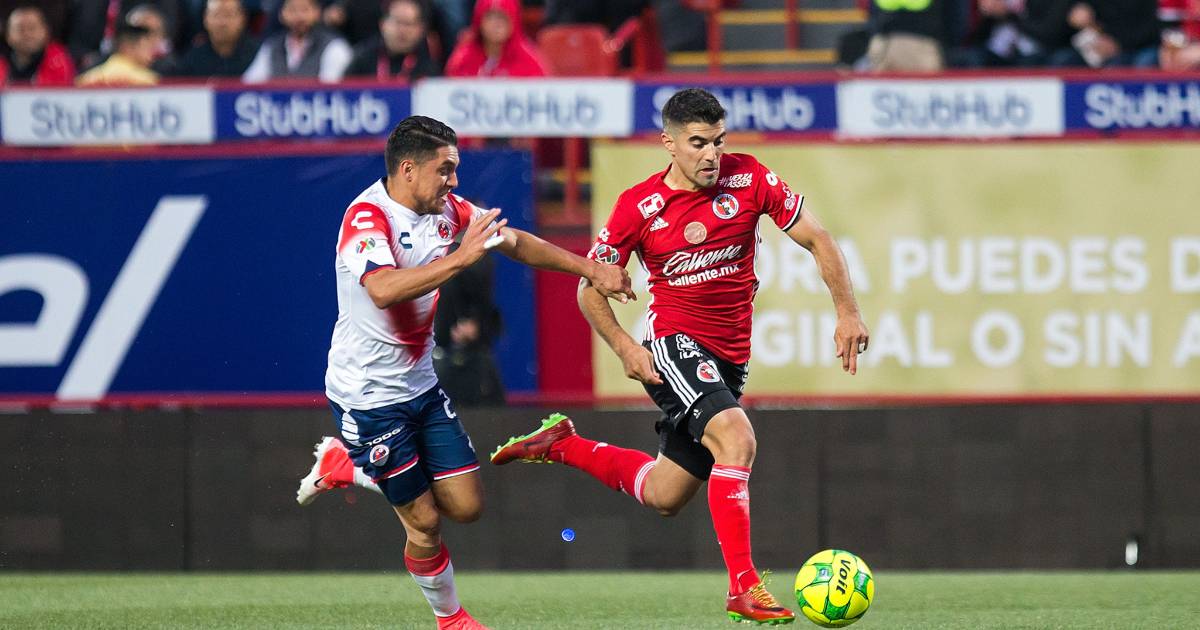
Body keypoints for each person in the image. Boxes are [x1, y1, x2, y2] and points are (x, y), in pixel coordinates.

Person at [489, 88, 870, 625]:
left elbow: (819, 239)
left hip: (729, 360)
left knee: (664, 494)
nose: (711, 155)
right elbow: (589, 288)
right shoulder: (638, 207)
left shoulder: (751, 177)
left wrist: (847, 312)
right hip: (673, 344)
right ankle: (744, 587)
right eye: (697, 143)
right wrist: (624, 346)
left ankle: (563, 444)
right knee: (737, 438)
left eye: (718, 141)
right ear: (668, 143)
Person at [293, 116, 633, 630]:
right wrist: (461, 258)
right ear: (408, 169)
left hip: (421, 387)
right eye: (445, 169)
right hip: (368, 396)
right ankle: (450, 619)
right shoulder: (367, 217)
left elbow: (513, 241)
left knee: (467, 507)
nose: (454, 181)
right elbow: (382, 290)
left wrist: (591, 268)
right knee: (425, 523)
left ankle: (346, 466)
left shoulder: (448, 211)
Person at [242, 0, 352, 83]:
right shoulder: (271, 46)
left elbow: (331, 88)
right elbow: (250, 84)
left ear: (317, 12)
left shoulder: (334, 46)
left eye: (305, 10)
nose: (299, 17)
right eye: (292, 10)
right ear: (281, 14)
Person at [444, 0, 546, 78]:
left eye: (503, 18)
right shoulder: (463, 59)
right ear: (479, 21)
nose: (497, 24)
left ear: (514, 22)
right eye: (490, 17)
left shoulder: (529, 61)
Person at [346, 0, 442, 81]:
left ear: (420, 29)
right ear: (382, 24)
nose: (402, 30)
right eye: (398, 22)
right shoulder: (363, 58)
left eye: (408, 24)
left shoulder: (428, 65)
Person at [176, 0, 258, 77]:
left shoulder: (259, 57)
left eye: (228, 15)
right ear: (205, 19)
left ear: (242, 18)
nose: (222, 23)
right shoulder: (193, 61)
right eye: (216, 15)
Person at [0, 5, 76, 85]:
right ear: (8, 35)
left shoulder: (59, 62)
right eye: (20, 29)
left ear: (45, 32)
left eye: (32, 28)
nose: (27, 34)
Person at [76, 21, 159, 85]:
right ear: (127, 47)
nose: (152, 53)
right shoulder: (149, 81)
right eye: (147, 47)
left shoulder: (87, 79)